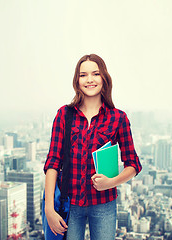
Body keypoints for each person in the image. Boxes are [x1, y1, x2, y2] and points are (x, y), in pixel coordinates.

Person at [44, 54, 142, 240]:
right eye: (83, 75)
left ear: (104, 78)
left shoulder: (118, 118)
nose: (89, 79)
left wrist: (110, 183)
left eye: (95, 74)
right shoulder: (64, 114)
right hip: (69, 203)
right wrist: (49, 208)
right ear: (77, 80)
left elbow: (133, 164)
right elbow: (53, 162)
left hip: (104, 203)